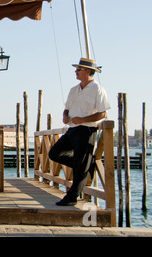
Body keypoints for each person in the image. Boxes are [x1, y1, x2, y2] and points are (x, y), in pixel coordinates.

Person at [48, 58, 110, 206]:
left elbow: (103, 114)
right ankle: (86, 166)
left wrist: (82, 120)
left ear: (87, 71)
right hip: (72, 130)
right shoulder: (73, 90)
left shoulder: (98, 89)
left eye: (78, 69)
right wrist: (65, 116)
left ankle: (72, 197)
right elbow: (67, 108)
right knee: (54, 153)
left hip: (87, 130)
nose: (75, 71)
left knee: (80, 165)